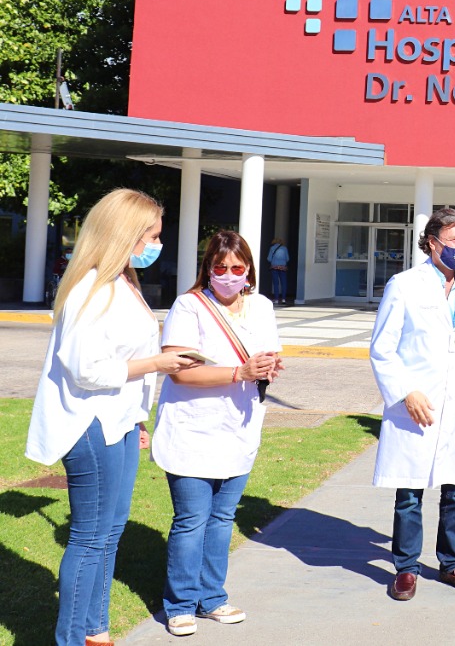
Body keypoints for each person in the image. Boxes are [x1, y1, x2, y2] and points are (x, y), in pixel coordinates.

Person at [25, 189, 198, 646]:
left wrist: (138, 415)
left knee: (109, 534)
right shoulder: (91, 288)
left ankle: (94, 632)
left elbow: (124, 356)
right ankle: (72, 637)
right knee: (90, 537)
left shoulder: (123, 282)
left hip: (118, 422)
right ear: (126, 233)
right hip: (90, 424)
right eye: (152, 236)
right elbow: (86, 370)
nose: (156, 245)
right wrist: (158, 365)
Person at [155, 230, 285, 637]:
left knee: (223, 518)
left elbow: (269, 352)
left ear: (248, 270)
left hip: (239, 426)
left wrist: (268, 367)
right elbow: (179, 367)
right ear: (208, 268)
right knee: (192, 518)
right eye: (220, 267)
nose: (228, 275)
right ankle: (179, 604)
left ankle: (211, 597)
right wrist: (237, 372)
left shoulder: (261, 306)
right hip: (193, 427)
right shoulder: (189, 306)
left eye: (236, 268)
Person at [369, 207, 455, 600]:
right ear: (432, 243)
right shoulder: (404, 284)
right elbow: (382, 349)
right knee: (410, 491)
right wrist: (405, 391)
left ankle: (451, 562)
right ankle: (406, 568)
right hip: (417, 403)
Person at [266, 237, 289, 304]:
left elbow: (269, 258)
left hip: (274, 267)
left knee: (276, 284)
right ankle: (283, 299)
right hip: (283, 267)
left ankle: (276, 299)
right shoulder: (284, 248)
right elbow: (287, 258)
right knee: (283, 283)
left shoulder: (272, 248)